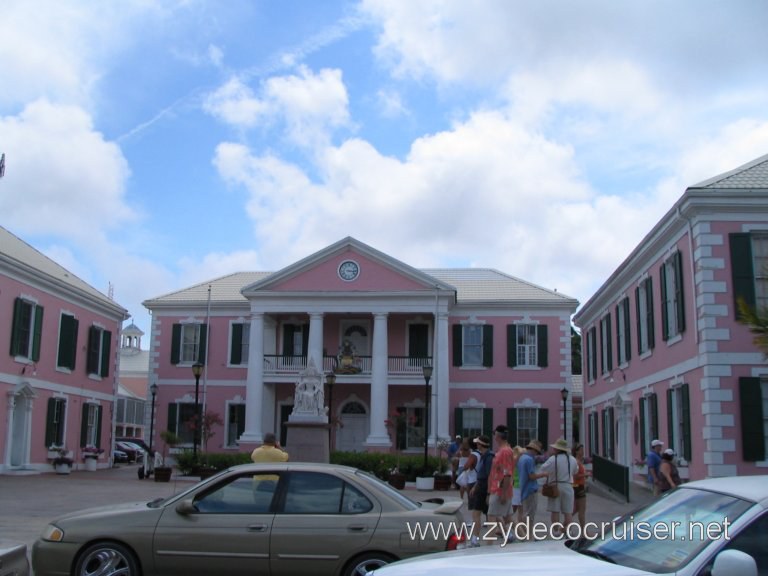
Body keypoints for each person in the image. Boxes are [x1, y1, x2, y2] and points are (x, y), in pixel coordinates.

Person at [540, 438, 578, 537]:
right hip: (568, 485)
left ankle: (556, 531)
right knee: (568, 511)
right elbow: (575, 471)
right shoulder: (572, 459)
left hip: (556, 485)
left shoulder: (553, 459)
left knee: (555, 510)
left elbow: (543, 468)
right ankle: (568, 531)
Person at [487, 425, 517, 543]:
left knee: (491, 516)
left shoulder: (504, 452)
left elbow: (507, 473)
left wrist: (503, 493)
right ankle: (526, 538)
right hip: (499, 488)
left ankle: (489, 544)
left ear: (498, 436)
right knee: (508, 518)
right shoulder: (504, 450)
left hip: (500, 489)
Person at [517, 439, 547, 538]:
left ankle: (524, 533)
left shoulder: (522, 458)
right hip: (530, 489)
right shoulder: (529, 460)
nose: (536, 454)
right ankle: (529, 534)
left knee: (525, 512)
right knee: (530, 514)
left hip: (523, 488)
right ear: (534, 450)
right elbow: (532, 476)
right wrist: (543, 474)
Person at [467, 435, 493, 547]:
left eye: (477, 443)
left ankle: (474, 539)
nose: (476, 445)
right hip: (481, 485)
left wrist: (488, 493)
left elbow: (489, 476)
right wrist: (475, 485)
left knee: (476, 514)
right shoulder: (484, 456)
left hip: (484, 488)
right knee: (494, 515)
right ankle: (509, 534)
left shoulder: (488, 457)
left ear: (480, 445)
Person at [572, 443, 589, 530]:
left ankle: (565, 526)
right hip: (578, 486)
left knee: (576, 508)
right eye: (581, 450)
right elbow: (575, 476)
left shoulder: (579, 462)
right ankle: (583, 530)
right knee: (582, 509)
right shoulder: (576, 462)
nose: (582, 452)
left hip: (578, 485)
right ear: (577, 451)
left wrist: (584, 475)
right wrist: (584, 474)